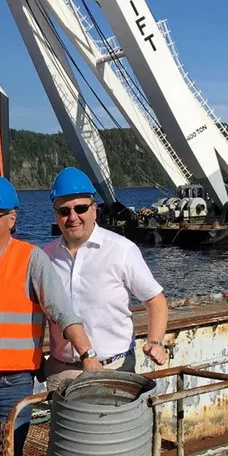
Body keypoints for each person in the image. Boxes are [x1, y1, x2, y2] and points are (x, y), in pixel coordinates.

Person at [0, 175, 102, 456]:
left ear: (12, 219)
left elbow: (62, 311)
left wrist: (87, 355)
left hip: (10, 384)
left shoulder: (31, 259)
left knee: (8, 455)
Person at [42, 167, 169, 392]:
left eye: (80, 208)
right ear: (55, 214)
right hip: (62, 373)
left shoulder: (121, 250)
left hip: (115, 368)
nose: (72, 217)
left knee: (116, 427)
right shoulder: (46, 257)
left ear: (94, 211)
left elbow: (155, 300)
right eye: (64, 210)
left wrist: (155, 342)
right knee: (63, 429)